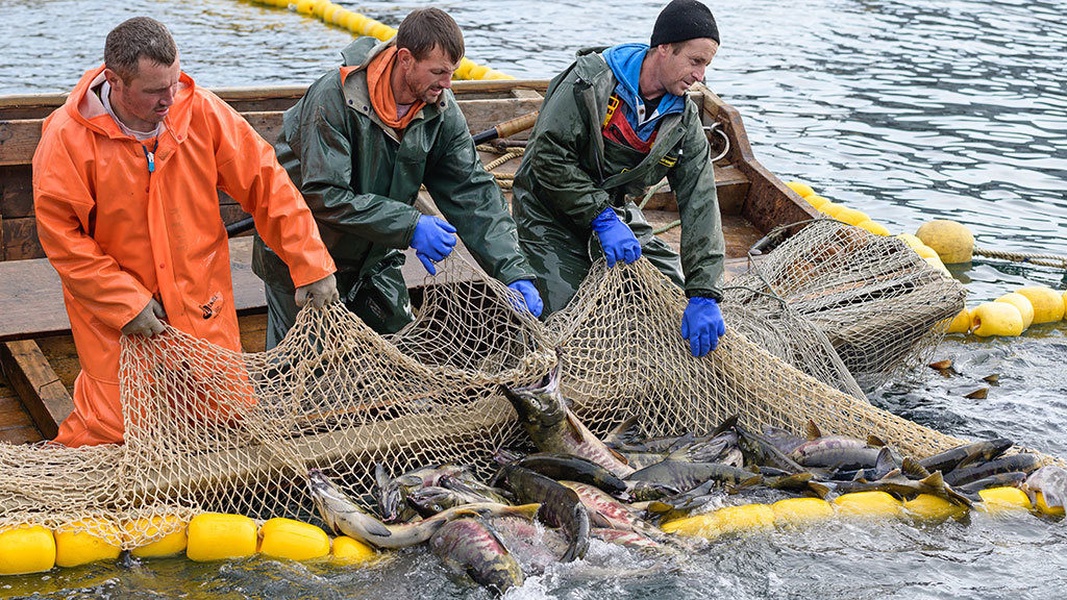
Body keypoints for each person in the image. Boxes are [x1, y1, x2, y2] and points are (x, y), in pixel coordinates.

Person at [32, 17, 339, 447]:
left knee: (227, 425)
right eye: (155, 90)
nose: (170, 98)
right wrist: (125, 303)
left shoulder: (203, 112)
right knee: (119, 434)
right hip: (119, 323)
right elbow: (62, 239)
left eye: (175, 82)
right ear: (115, 82)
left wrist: (311, 263)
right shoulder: (66, 140)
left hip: (202, 307)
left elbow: (268, 185)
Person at [252, 7, 543, 348]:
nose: (447, 85)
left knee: (403, 356)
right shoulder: (333, 98)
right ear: (405, 59)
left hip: (375, 258)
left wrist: (513, 271)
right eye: (438, 72)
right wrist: (412, 226)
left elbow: (474, 193)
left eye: (452, 73)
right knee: (300, 364)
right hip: (303, 256)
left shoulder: (440, 111)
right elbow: (325, 196)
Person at [511, 0, 727, 357]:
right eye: (695, 61)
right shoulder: (589, 81)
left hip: (615, 217)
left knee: (672, 299)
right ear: (663, 48)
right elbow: (548, 158)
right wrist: (600, 217)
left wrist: (704, 292)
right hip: (547, 211)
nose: (700, 76)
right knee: (567, 319)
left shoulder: (684, 119)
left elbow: (701, 202)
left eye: (706, 64)